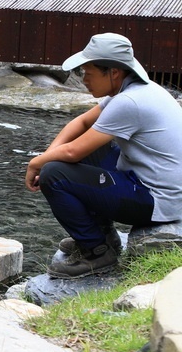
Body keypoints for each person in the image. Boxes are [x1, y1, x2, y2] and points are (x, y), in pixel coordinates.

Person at [24, 33, 182, 278]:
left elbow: (73, 151)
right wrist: (49, 154)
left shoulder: (129, 101)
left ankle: (97, 252)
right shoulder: (136, 89)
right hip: (150, 184)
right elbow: (82, 122)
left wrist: (37, 163)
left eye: (88, 72)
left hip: (159, 201)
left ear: (114, 72)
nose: (84, 79)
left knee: (53, 174)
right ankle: (103, 235)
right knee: (81, 150)